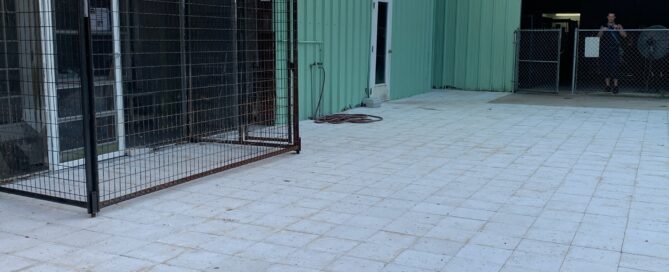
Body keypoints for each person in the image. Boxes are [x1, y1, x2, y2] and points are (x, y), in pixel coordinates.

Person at [598, 13, 627, 94]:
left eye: (612, 16)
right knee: (605, 66)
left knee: (615, 67)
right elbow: (598, 37)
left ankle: (615, 86)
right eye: (609, 16)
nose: (611, 18)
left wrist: (619, 29)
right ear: (607, 17)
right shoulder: (603, 26)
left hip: (615, 49)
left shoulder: (618, 26)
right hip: (605, 49)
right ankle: (607, 86)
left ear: (614, 17)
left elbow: (624, 35)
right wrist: (602, 30)